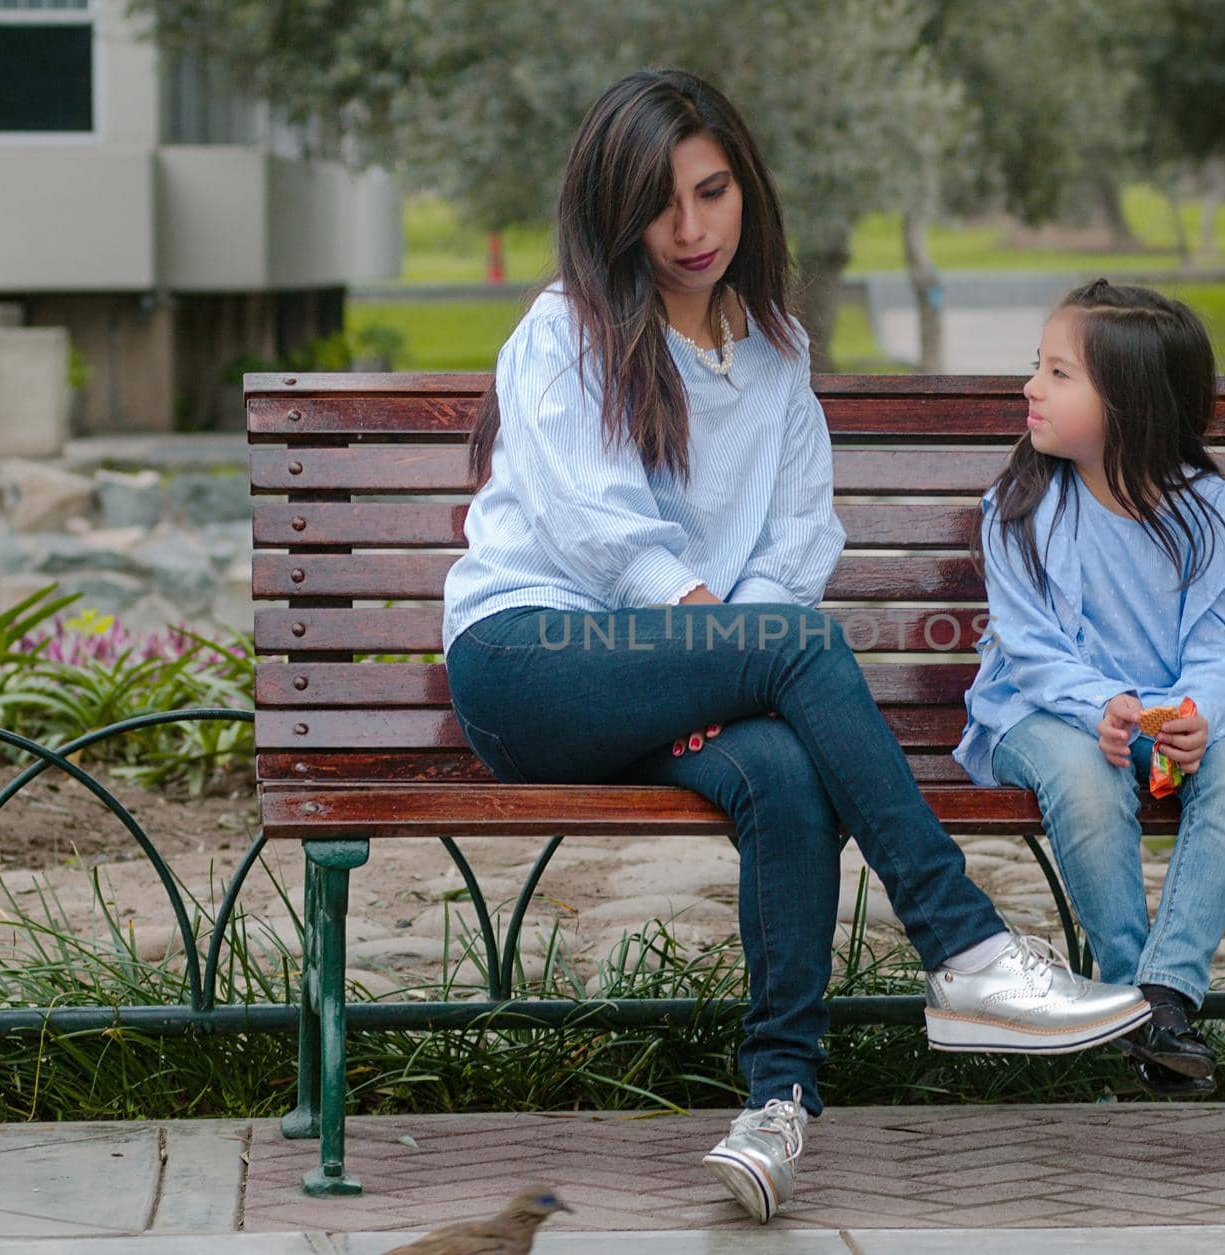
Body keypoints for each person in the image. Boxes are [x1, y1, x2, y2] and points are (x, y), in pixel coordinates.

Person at [442, 71, 1149, 1223]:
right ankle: (964, 949)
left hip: (671, 680)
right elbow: (608, 537)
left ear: (746, 191)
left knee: (779, 771)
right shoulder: (565, 329)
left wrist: (737, 652)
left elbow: (797, 535)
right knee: (796, 644)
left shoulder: (773, 350)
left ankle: (777, 1105)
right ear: (613, 212)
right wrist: (739, 642)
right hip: (530, 661)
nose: (689, 229)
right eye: (660, 203)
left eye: (712, 191)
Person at [954, 280, 1225, 1097]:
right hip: (1044, 715)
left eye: (1059, 374)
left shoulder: (1210, 516)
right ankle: (1140, 1010)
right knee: (1083, 777)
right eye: (1039, 366)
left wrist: (1199, 717)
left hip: (1168, 723)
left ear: (1131, 405)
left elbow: (1224, 649)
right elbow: (1028, 650)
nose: (1031, 386)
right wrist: (1099, 705)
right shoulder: (1022, 509)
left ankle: (1163, 994)